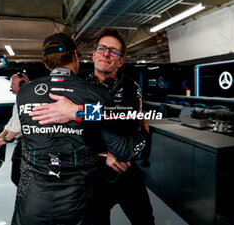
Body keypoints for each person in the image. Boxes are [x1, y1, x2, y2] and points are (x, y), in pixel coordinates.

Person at [11, 32, 139, 225]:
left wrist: (77, 112)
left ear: (46, 63)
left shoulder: (25, 93)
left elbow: (127, 117)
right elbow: (120, 144)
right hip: (79, 200)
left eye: (112, 51)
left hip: (32, 201)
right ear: (77, 56)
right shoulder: (94, 92)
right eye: (102, 49)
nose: (105, 54)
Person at [0, 72, 29, 186]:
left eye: (13, 84)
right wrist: (2, 134)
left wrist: (6, 139)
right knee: (17, 177)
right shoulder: (21, 97)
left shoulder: (28, 97)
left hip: (26, 143)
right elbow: (13, 119)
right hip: (20, 142)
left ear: (22, 84)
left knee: (18, 177)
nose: (10, 87)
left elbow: (19, 123)